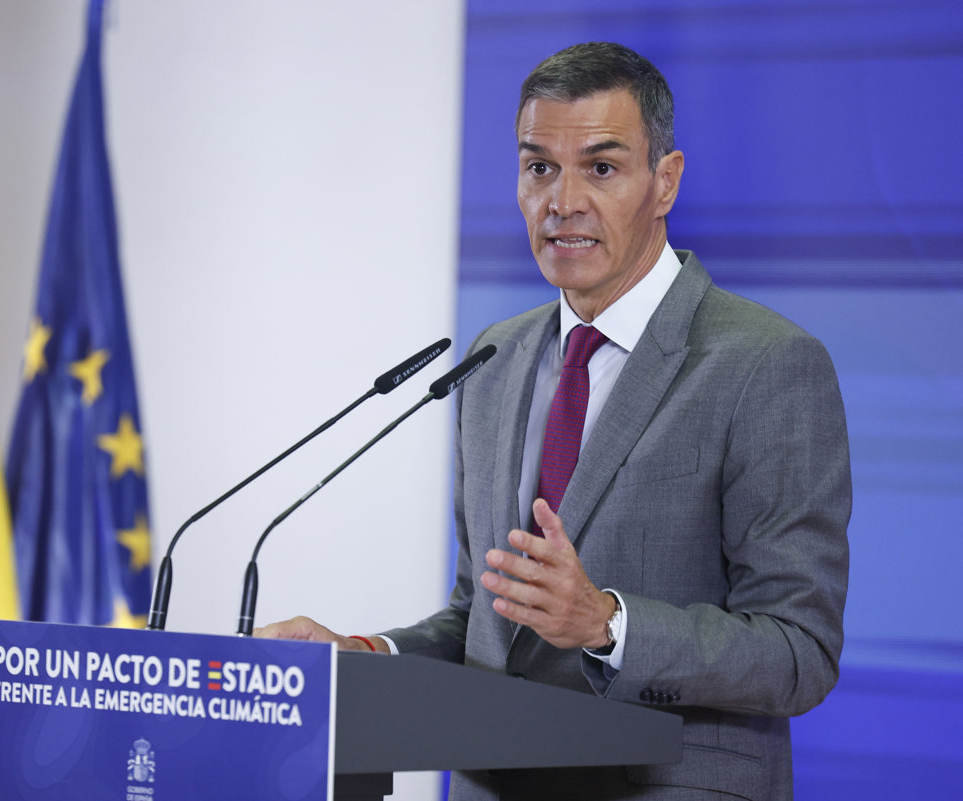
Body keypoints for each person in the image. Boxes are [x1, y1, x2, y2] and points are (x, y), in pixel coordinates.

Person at [257, 41, 850, 801]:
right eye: (539, 167)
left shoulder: (766, 365)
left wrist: (608, 622)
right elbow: (487, 618)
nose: (562, 201)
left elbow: (798, 652)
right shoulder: (493, 359)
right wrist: (367, 653)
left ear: (664, 182)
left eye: (600, 168)